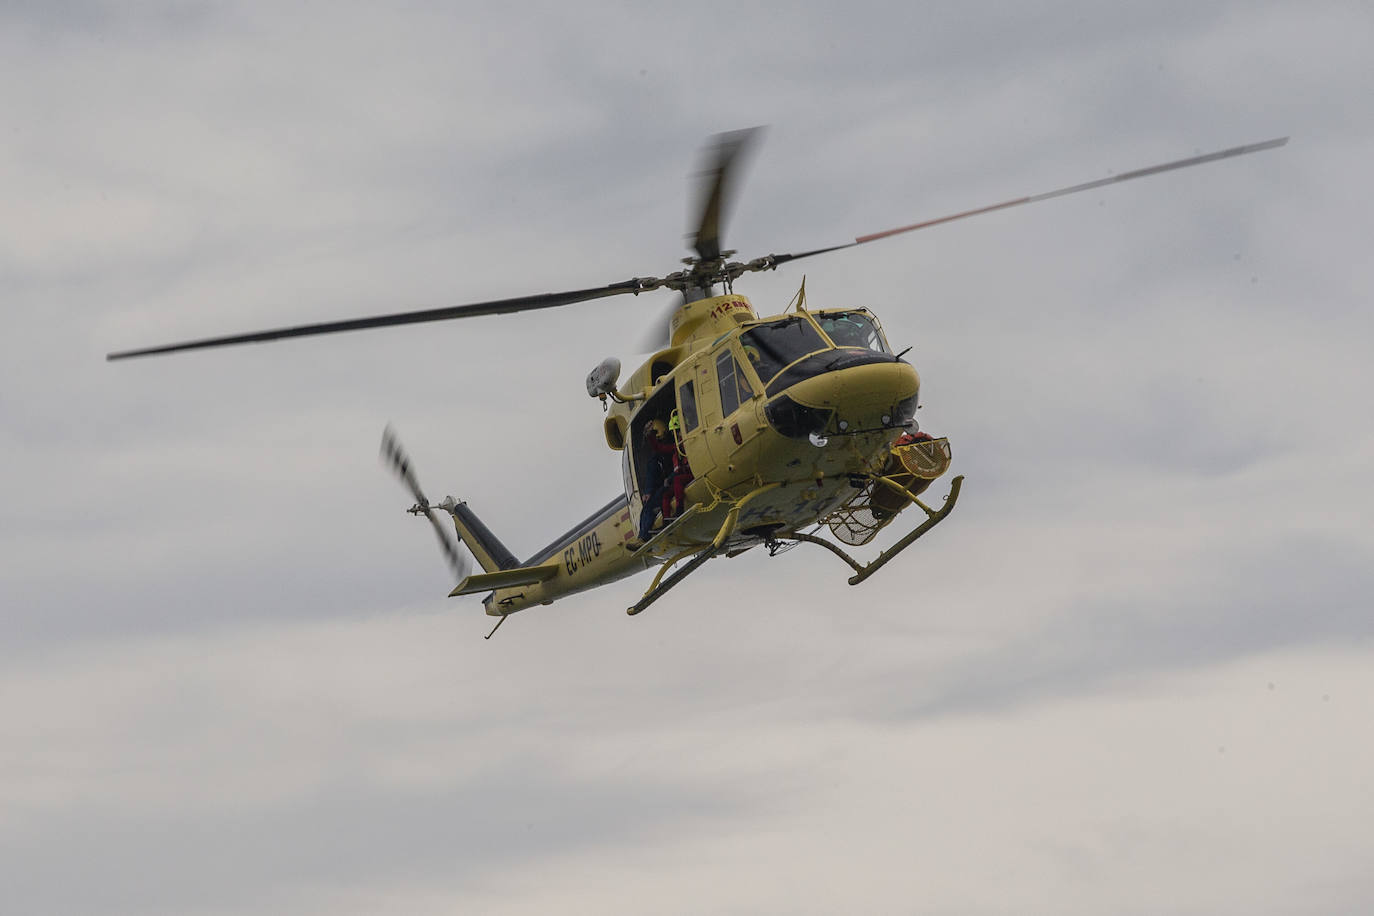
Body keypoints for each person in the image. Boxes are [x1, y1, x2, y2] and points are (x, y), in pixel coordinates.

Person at [636, 419, 677, 542]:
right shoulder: (659, 454)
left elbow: (659, 449)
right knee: (647, 507)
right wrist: (648, 491)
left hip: (673, 481)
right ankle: (642, 536)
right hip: (668, 483)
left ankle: (643, 537)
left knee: (649, 507)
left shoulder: (671, 447)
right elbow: (652, 470)